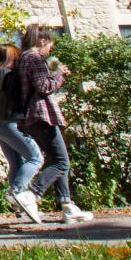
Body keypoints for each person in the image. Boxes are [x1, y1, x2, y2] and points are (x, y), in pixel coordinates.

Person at [16, 23, 94, 223]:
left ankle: (67, 205)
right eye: (49, 45)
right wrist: (59, 74)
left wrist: (52, 71)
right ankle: (32, 194)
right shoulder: (34, 58)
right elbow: (43, 86)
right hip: (41, 114)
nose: (50, 49)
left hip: (30, 117)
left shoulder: (23, 59)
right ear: (42, 41)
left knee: (57, 159)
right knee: (62, 161)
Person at [0, 43, 44, 223]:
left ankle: (19, 207)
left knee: (16, 161)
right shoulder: (7, 74)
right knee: (35, 158)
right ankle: (16, 192)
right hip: (8, 122)